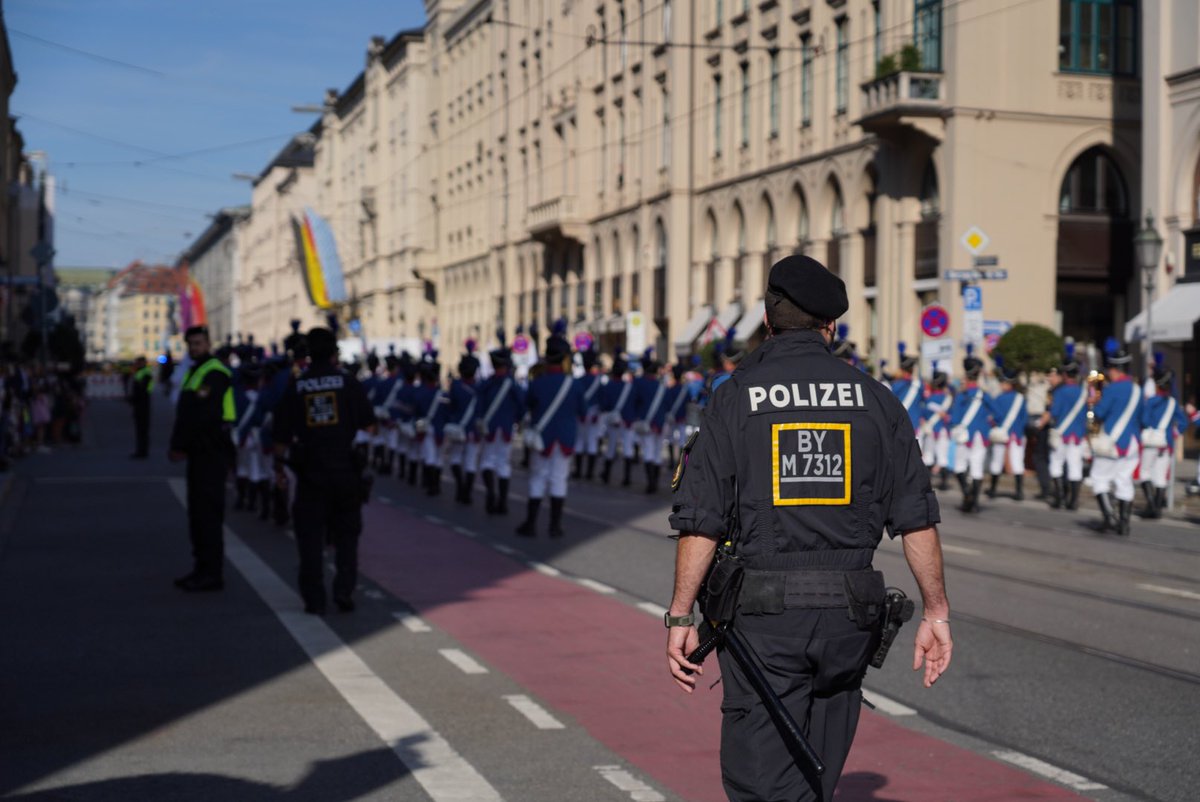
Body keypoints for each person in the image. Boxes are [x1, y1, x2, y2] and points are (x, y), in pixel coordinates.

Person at [665, 255, 952, 802]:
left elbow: (700, 521)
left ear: (768, 322)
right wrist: (936, 610)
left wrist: (680, 614)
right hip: (852, 618)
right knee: (813, 776)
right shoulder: (877, 400)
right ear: (833, 326)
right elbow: (916, 518)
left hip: (765, 621)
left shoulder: (734, 398)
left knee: (760, 785)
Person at [272, 327, 375, 615]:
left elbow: (280, 435)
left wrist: (279, 469)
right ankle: (344, 590)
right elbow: (369, 425)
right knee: (347, 536)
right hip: (345, 471)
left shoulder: (297, 386)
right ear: (334, 354)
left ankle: (314, 599)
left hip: (311, 473)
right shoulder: (349, 384)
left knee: (309, 538)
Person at [168, 326, 235, 592]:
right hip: (201, 452)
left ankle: (211, 573)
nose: (194, 348)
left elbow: (201, 417)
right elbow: (186, 415)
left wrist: (180, 445)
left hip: (211, 451)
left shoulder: (213, 372)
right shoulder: (196, 371)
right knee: (198, 514)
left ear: (208, 343)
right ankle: (201, 568)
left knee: (207, 515)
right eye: (191, 344)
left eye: (198, 343)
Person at [516, 333, 586, 538]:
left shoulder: (537, 382)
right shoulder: (574, 384)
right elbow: (582, 412)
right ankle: (555, 526)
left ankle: (530, 524)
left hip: (542, 438)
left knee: (537, 478)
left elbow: (526, 406)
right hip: (564, 438)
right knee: (558, 480)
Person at [1089, 341, 1142, 536]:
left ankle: (1109, 518)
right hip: (1133, 443)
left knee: (1099, 477)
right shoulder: (1138, 390)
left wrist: (1094, 403)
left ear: (1115, 369)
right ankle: (1124, 524)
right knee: (1124, 480)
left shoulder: (1111, 390)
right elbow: (1143, 419)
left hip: (1113, 441)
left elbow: (1100, 414)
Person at [477, 343, 525, 514]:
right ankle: (502, 501)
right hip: (506, 428)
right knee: (503, 464)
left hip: (488, 428)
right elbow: (521, 405)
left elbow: (479, 406)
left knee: (487, 462)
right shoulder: (512, 384)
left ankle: (491, 493)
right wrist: (518, 421)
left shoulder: (487, 384)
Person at [1138, 366, 1188, 519]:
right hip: (1166, 444)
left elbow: (1145, 420)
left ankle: (1152, 505)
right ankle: (1157, 508)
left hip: (1152, 442)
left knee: (1144, 473)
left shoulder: (1151, 401)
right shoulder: (1173, 403)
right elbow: (1183, 423)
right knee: (1160, 476)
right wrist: (1173, 434)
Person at [1044, 352, 1087, 510]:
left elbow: (1054, 413)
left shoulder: (1060, 392)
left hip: (1061, 433)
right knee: (1075, 467)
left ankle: (1060, 497)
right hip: (1078, 434)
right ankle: (1073, 501)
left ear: (1064, 374)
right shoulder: (1083, 392)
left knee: (1056, 464)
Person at [949, 351, 990, 513]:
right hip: (981, 435)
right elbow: (999, 415)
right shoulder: (984, 395)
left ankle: (967, 495)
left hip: (964, 436)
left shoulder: (961, 396)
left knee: (959, 467)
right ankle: (975, 502)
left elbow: (954, 419)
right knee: (977, 468)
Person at [984, 361, 1028, 501]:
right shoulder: (1021, 398)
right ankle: (1019, 492)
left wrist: (992, 423)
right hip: (1017, 434)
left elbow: (995, 417)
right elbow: (1024, 418)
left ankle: (992, 489)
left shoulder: (999, 398)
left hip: (1001, 434)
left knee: (996, 461)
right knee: (1018, 462)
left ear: (1007, 383)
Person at [446, 343, 482, 505]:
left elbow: (451, 406)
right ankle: (466, 492)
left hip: (457, 427)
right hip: (473, 430)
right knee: (470, 462)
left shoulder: (456, 386)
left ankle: (460, 487)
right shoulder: (480, 387)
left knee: (455, 459)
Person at [920, 371, 952, 490]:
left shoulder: (929, 399)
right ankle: (944, 484)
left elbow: (923, 415)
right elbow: (951, 417)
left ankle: (928, 482)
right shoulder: (948, 399)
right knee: (942, 456)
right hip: (942, 430)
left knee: (928, 456)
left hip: (931, 430)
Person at [128, 356, 155, 458]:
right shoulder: (141, 372)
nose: (136, 364)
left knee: (142, 430)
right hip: (141, 404)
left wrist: (133, 399)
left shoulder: (145, 373)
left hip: (143, 405)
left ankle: (142, 452)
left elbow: (142, 390)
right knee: (140, 429)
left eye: (138, 362)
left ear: (143, 363)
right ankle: (141, 450)